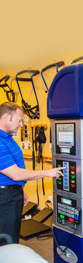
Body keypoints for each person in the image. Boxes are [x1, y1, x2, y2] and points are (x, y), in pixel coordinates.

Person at [0, 102, 65, 243]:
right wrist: (47, 172)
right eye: (19, 120)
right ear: (6, 117)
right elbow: (16, 174)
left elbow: (14, 173)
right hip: (4, 198)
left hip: (12, 193)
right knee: (6, 239)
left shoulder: (8, 139)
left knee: (12, 234)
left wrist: (19, 189)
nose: (21, 125)